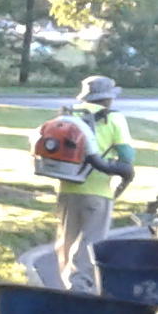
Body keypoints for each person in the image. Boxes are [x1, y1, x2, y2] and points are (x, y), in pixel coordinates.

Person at [56, 75, 135, 293]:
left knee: (67, 240)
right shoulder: (113, 119)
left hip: (67, 188)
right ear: (107, 98)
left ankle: (68, 285)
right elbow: (127, 156)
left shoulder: (70, 115)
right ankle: (80, 288)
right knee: (91, 242)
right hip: (98, 190)